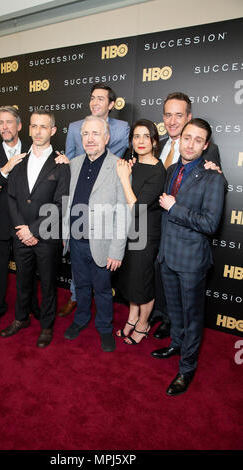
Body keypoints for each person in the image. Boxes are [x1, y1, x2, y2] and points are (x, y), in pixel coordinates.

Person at [151, 118, 225, 396]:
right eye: (187, 137)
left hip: (192, 261)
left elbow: (209, 224)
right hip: (168, 256)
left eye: (198, 140)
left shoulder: (214, 178)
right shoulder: (171, 170)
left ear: (206, 145)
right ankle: (176, 344)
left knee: (193, 316)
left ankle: (187, 368)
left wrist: (175, 207)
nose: (190, 143)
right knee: (175, 310)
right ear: (179, 139)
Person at [0, 111, 70, 348]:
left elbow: (61, 205)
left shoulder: (61, 164)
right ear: (28, 129)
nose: (38, 131)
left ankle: (47, 326)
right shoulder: (18, 162)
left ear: (52, 131)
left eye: (43, 127)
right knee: (22, 281)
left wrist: (34, 230)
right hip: (20, 234)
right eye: (34, 126)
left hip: (47, 236)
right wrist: (22, 229)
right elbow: (11, 198)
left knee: (49, 284)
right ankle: (21, 318)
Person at [58, 84, 130, 317]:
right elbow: (70, 160)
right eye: (92, 98)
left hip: (106, 196)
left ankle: (103, 322)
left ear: (111, 104)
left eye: (101, 98)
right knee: (80, 275)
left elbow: (117, 158)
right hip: (79, 209)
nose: (95, 102)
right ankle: (77, 300)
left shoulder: (121, 128)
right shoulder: (74, 128)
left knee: (101, 284)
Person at [0, 105, 39, 329]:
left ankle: (31, 305)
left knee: (28, 269)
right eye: (1, 123)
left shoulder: (34, 149)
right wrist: (4, 169)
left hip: (25, 223)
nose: (5, 127)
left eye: (9, 122)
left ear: (19, 126)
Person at [115, 119, 166, 344]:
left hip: (145, 234)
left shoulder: (158, 171)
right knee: (130, 279)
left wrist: (125, 178)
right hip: (128, 232)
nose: (141, 141)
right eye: (137, 136)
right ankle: (132, 317)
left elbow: (136, 208)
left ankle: (144, 324)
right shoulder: (131, 163)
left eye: (146, 136)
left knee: (143, 281)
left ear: (155, 141)